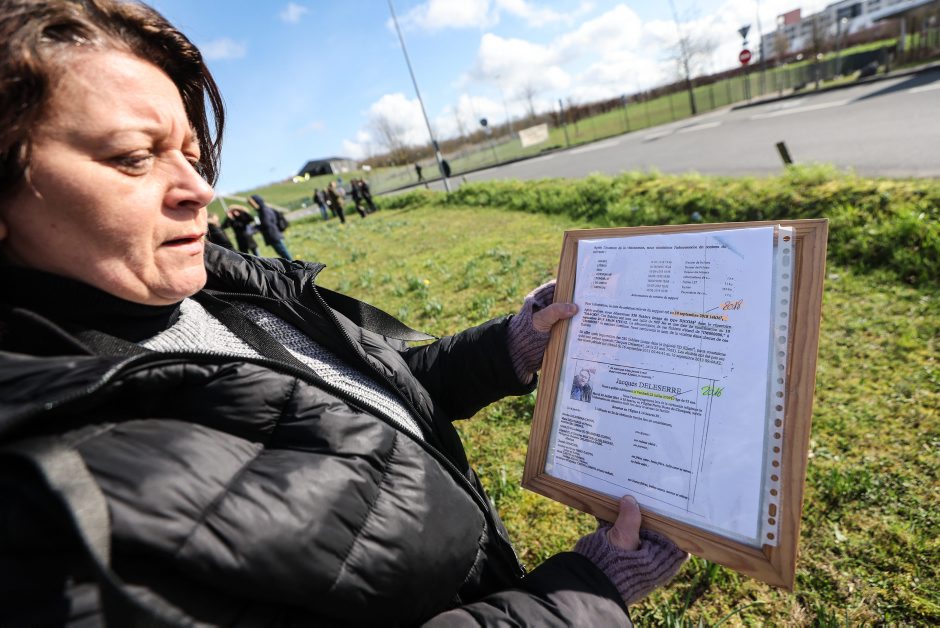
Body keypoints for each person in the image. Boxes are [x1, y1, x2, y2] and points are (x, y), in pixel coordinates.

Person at [0, 1, 686, 626]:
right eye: (133, 157)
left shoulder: (224, 290)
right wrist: (585, 592)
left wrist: (514, 344)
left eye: (190, 152)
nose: (198, 188)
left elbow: (378, 389)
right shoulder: (44, 508)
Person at [247, 193, 292, 260]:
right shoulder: (264, 210)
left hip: (273, 235)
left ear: (257, 202)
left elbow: (266, 223)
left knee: (284, 254)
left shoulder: (264, 211)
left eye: (252, 204)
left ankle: (294, 265)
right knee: (283, 253)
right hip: (274, 235)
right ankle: (292, 265)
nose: (252, 206)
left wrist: (255, 229)